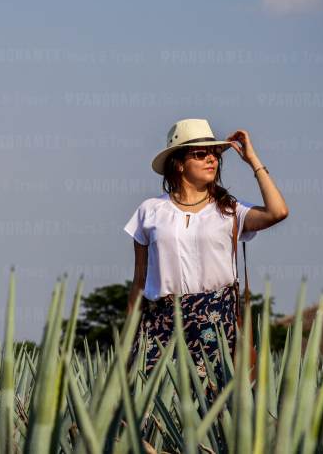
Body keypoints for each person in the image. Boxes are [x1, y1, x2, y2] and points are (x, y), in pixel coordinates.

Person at [123, 118, 288, 385]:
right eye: (201, 154)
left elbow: (278, 211)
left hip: (217, 326)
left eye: (215, 153)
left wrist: (252, 160)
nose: (211, 159)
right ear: (178, 163)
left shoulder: (230, 209)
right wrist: (128, 341)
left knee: (217, 410)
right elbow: (139, 284)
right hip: (160, 326)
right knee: (153, 412)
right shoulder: (149, 210)